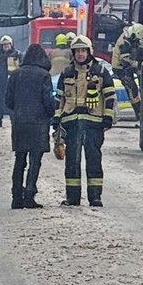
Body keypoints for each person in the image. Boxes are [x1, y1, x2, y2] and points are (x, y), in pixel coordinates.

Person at [53, 34, 116, 207]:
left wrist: (108, 118)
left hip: (94, 124)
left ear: (89, 52)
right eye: (77, 51)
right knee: (72, 161)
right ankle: (72, 198)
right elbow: (59, 99)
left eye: (83, 50)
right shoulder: (66, 72)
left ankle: (95, 197)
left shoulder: (101, 72)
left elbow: (110, 96)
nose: (80, 54)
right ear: (73, 53)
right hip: (71, 123)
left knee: (94, 160)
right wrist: (56, 119)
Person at [3, 44, 56, 209]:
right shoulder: (44, 76)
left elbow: (8, 101)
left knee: (20, 160)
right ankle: (29, 194)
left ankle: (16, 197)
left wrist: (20, 110)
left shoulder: (16, 74)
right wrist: (52, 112)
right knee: (35, 160)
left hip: (19, 123)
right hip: (38, 123)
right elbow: (48, 101)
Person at [112, 22, 143, 106]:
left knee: (135, 84)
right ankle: (137, 109)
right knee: (131, 88)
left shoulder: (127, 36)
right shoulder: (124, 42)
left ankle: (139, 106)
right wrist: (137, 64)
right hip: (121, 68)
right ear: (134, 35)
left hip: (125, 67)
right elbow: (125, 59)